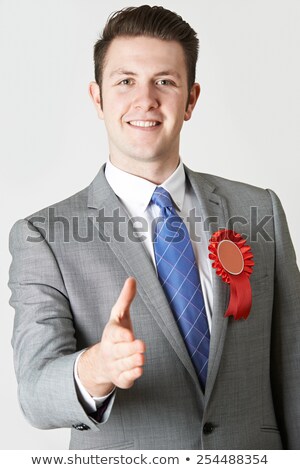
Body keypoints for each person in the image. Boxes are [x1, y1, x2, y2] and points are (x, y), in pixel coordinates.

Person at [8, 5, 300, 450]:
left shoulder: (259, 210)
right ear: (97, 98)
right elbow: (34, 392)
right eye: (125, 81)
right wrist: (97, 368)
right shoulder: (43, 236)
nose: (145, 99)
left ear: (191, 99)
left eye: (164, 81)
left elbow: (294, 366)